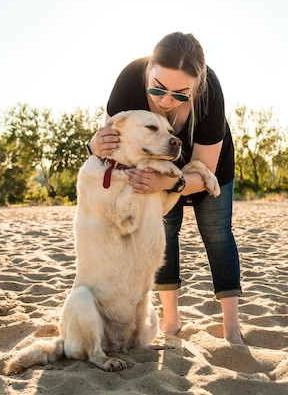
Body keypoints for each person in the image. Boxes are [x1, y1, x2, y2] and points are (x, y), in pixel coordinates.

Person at [86, 32, 243, 344]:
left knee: (217, 234)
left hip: (207, 168)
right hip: (151, 169)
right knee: (163, 233)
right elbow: (109, 147)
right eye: (157, 87)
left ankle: (231, 326)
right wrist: (93, 145)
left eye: (180, 94)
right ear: (149, 68)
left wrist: (172, 182)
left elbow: (204, 171)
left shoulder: (212, 93)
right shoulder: (130, 79)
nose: (165, 100)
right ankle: (172, 320)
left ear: (197, 85)